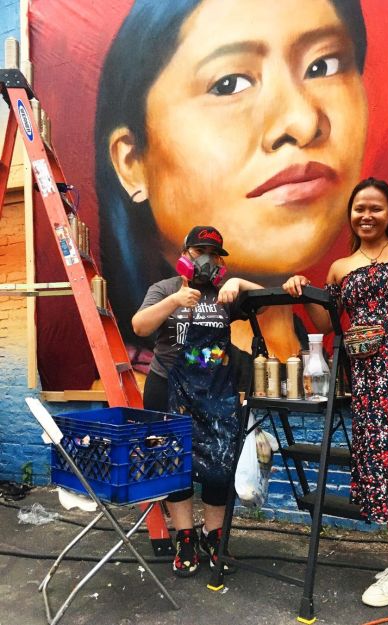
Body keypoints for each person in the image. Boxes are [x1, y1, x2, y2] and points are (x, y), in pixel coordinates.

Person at [95, 0, 368, 363]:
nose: (302, 122)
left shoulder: (299, 341)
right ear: (133, 163)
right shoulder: (166, 314)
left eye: (323, 65)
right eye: (229, 84)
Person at [283, 178, 388, 625]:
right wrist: (304, 293)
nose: (366, 215)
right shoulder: (340, 267)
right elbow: (328, 321)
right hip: (367, 376)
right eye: (359, 208)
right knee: (386, 467)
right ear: (350, 214)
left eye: (375, 208)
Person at [132, 225, 263, 577]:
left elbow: (266, 298)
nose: (206, 258)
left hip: (215, 391)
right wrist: (174, 300)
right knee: (176, 465)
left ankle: (213, 534)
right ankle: (185, 537)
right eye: (199, 250)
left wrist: (240, 285)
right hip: (166, 388)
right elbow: (140, 326)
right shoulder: (164, 288)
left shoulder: (224, 293)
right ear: (185, 254)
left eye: (214, 253)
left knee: (219, 465)